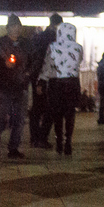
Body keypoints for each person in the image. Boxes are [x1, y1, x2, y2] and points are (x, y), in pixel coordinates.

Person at [0, 16, 30, 158]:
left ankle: (13, 147)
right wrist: (3, 64)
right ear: (8, 28)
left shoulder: (25, 44)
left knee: (19, 119)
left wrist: (28, 73)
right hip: (3, 86)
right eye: (13, 26)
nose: (16, 29)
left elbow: (33, 60)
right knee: (0, 117)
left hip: (20, 85)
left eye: (18, 26)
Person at [42, 22, 83, 155]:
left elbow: (48, 64)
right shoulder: (78, 47)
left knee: (57, 114)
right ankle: (68, 141)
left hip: (56, 83)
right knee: (70, 114)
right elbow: (79, 61)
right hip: (72, 82)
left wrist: (42, 79)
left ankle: (59, 140)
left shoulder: (53, 46)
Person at [27, 14, 62, 148]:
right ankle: (41, 137)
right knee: (51, 108)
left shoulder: (38, 37)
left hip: (37, 75)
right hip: (49, 76)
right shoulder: (54, 38)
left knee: (37, 108)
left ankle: (35, 137)